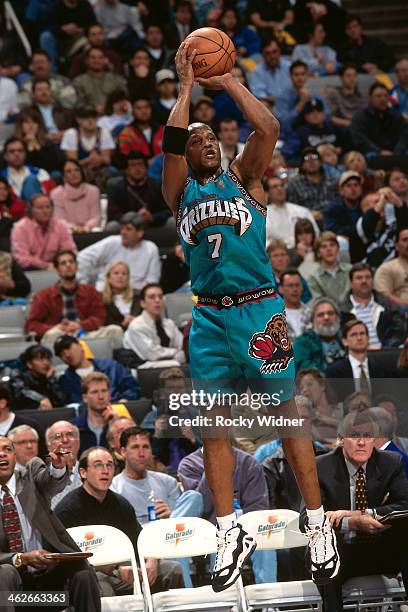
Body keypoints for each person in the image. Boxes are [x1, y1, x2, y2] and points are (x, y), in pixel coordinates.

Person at [161, 40, 340, 591]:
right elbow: (169, 142)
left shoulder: (246, 178)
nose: (207, 141)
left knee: (287, 417)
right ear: (188, 153)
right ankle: (226, 530)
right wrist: (188, 88)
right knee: (213, 427)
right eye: (198, 139)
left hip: (260, 309)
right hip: (210, 317)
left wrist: (230, 82)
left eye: (212, 136)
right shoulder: (178, 190)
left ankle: (316, 524)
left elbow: (268, 129)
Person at [300, 409, 408, 612]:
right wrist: (351, 524)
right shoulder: (320, 468)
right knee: (323, 552)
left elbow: (405, 505)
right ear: (340, 439)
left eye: (367, 436)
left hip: (381, 550)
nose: (361, 442)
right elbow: (306, 519)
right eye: (354, 435)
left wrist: (357, 514)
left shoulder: (391, 462)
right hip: (340, 552)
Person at [55, 446, 184, 596]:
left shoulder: (121, 504)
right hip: (90, 571)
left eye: (109, 465)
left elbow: (141, 540)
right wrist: (116, 569)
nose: (105, 470)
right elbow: (69, 559)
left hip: (124, 567)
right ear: (83, 472)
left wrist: (152, 560)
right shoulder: (68, 510)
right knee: (101, 586)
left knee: (173, 570)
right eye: (98, 465)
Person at [0, 433, 101, 612]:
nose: (2, 454)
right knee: (4, 573)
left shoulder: (30, 475)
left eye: (7, 449)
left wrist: (57, 467)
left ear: (15, 456)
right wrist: (21, 558)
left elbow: (49, 480)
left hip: (51, 590)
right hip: (15, 596)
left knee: (82, 571)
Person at [178, 446, 278, 585]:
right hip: (207, 532)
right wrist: (213, 466)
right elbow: (199, 506)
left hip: (244, 528)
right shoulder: (189, 465)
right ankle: (227, 601)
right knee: (221, 542)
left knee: (264, 538)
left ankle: (270, 602)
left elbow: (257, 509)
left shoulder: (248, 463)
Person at [25, 249, 122, 342]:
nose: (68, 265)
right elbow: (32, 325)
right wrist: (56, 327)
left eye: (71, 262)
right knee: (53, 334)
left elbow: (100, 317)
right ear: (57, 269)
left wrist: (80, 325)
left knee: (115, 330)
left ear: (76, 266)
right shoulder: (43, 295)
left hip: (85, 333)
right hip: (60, 336)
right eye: (63, 263)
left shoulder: (90, 291)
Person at [77, 212, 160, 291]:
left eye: (128, 229)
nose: (123, 232)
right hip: (105, 293)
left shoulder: (150, 249)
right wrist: (84, 285)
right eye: (122, 228)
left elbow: (153, 280)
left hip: (135, 295)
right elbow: (82, 258)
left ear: (140, 233)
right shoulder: (112, 242)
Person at [54, 334, 140, 403]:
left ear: (80, 346)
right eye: (62, 354)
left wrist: (125, 400)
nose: (67, 355)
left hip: (118, 408)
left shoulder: (111, 366)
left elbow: (132, 387)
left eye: (68, 348)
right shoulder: (65, 380)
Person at [326, 319, 395, 403]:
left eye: (362, 333)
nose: (359, 338)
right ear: (345, 341)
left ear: (368, 338)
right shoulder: (334, 372)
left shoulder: (380, 369)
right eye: (353, 335)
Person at [340, 262, 405, 349]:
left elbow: (399, 332)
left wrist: (385, 348)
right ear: (351, 283)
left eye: (368, 277)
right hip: (354, 354)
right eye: (359, 278)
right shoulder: (342, 310)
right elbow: (340, 337)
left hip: (385, 353)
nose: (364, 281)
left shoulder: (388, 306)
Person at [124, 283, 186, 368]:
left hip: (168, 362)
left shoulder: (169, 323)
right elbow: (152, 354)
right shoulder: (136, 326)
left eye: (160, 297)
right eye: (152, 297)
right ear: (142, 303)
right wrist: (174, 352)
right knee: (175, 365)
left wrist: (178, 353)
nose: (157, 300)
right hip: (142, 366)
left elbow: (181, 346)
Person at [11, 194, 76, 271]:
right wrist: (45, 265)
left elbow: (70, 250)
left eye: (48, 207)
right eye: (40, 208)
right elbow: (21, 258)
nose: (45, 211)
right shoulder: (20, 228)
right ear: (31, 210)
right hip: (29, 270)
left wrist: (61, 263)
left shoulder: (59, 226)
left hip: (56, 269)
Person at [350, 185, 408, 268]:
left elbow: (404, 218)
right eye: (377, 202)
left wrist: (394, 198)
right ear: (365, 209)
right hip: (367, 274)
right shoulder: (358, 227)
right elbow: (368, 221)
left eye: (384, 201)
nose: (383, 204)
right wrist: (382, 201)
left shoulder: (391, 227)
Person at [106, 152, 169, 227]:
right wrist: (132, 217)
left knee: (172, 222)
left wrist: (152, 217)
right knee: (112, 226)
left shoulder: (157, 185)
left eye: (140, 164)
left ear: (146, 167)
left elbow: (168, 211)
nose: (137, 168)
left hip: (153, 225)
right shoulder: (117, 187)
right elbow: (112, 214)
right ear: (126, 170)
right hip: (126, 226)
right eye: (132, 165)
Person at [71, 372, 128, 454]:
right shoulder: (74, 427)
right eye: (94, 392)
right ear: (85, 398)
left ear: (109, 394)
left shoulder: (122, 424)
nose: (101, 396)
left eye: (104, 391)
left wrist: (116, 425)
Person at [351, 83, 408, 157]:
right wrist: (379, 151)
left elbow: (404, 135)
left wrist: (398, 151)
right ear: (370, 99)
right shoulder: (360, 116)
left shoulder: (396, 115)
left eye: (385, 96)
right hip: (372, 153)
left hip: (395, 153)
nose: (383, 99)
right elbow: (360, 140)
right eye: (378, 96)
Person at [60, 105, 115, 179]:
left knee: (112, 171)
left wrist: (100, 159)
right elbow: (73, 165)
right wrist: (89, 160)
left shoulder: (103, 132)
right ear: (78, 120)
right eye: (86, 118)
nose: (90, 121)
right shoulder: (71, 134)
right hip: (79, 170)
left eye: (93, 117)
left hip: (101, 168)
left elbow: (107, 160)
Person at [286, 147, 338, 223]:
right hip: (306, 222)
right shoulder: (294, 184)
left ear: (321, 163)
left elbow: (338, 202)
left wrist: (325, 214)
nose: (311, 161)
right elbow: (292, 208)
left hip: (331, 218)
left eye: (314, 157)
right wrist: (308, 214)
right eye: (306, 159)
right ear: (302, 166)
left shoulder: (333, 180)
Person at [265, 175, 319, 249]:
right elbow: (262, 241)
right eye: (275, 187)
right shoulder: (263, 215)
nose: (280, 189)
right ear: (267, 193)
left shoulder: (302, 211)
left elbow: (316, 234)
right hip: (277, 255)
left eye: (282, 185)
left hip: (305, 251)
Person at [9, 344, 67, 411]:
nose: (46, 363)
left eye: (47, 359)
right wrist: (41, 399)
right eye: (40, 359)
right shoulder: (18, 374)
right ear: (29, 364)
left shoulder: (48, 377)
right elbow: (21, 392)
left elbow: (61, 401)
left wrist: (51, 379)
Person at [294, 298, 345, 372]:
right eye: (320, 315)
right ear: (312, 321)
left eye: (330, 313)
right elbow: (305, 370)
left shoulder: (348, 336)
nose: (326, 317)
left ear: (338, 317)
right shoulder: (303, 343)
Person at [51, 159, 101, 232]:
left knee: (97, 230)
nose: (74, 173)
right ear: (63, 176)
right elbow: (59, 219)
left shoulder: (93, 190)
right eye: (69, 171)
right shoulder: (56, 193)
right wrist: (74, 228)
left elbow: (95, 217)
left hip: (89, 229)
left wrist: (87, 226)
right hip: (68, 230)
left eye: (77, 170)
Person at [72, 47, 127, 114]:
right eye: (93, 58)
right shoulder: (78, 81)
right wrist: (93, 108)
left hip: (114, 117)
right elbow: (78, 103)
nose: (97, 61)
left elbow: (125, 99)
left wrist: (111, 108)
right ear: (87, 61)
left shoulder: (117, 79)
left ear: (105, 60)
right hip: (89, 117)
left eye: (100, 58)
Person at [248, 38, 292, 120]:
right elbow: (258, 95)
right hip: (271, 109)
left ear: (279, 51)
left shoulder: (289, 67)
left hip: (291, 105)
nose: (272, 56)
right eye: (268, 53)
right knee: (263, 104)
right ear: (262, 55)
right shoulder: (256, 72)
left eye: (274, 52)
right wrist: (278, 99)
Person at [0, 137, 55, 202]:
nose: (16, 154)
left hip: (40, 208)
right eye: (12, 151)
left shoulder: (40, 173)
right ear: (5, 156)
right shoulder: (2, 178)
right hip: (14, 210)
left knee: (31, 180)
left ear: (25, 154)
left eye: (20, 150)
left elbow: (52, 195)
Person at [13, 106, 65, 174]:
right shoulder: (13, 145)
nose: (31, 125)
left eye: (34, 122)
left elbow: (53, 166)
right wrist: (30, 148)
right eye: (26, 122)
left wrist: (37, 147)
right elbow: (21, 168)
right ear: (21, 126)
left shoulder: (47, 143)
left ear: (39, 125)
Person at [307, 232, 351, 305]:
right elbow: (319, 302)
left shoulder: (351, 270)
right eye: (324, 247)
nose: (329, 249)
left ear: (338, 249)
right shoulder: (313, 278)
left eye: (332, 245)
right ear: (318, 253)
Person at [46, 420, 82, 508]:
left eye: (70, 435)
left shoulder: (91, 473)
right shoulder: (39, 478)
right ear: (48, 445)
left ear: (78, 441)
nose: (65, 440)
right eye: (57, 437)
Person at [30, 77, 74, 145]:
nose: (44, 92)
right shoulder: (28, 112)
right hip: (41, 143)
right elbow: (26, 132)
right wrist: (44, 136)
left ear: (51, 92)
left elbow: (73, 128)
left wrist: (64, 133)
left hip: (63, 141)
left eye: (47, 89)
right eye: (39, 90)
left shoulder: (64, 110)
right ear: (33, 94)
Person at [374, 228, 408, 309]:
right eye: (405, 240)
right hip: (400, 315)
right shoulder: (386, 268)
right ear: (397, 246)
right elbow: (383, 296)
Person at [101, 261, 141, 329]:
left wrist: (137, 321)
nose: (120, 276)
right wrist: (122, 325)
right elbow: (104, 322)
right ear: (108, 278)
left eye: (124, 274)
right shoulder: (101, 299)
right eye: (116, 273)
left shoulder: (139, 296)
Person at [325, 63, 366, 129]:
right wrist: (350, 123)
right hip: (344, 128)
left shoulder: (360, 95)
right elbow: (330, 118)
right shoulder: (334, 94)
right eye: (348, 76)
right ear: (341, 78)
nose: (352, 79)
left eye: (354, 76)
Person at [324, 171, 362, 239]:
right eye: (348, 186)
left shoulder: (366, 205)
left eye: (356, 185)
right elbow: (331, 232)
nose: (353, 189)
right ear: (341, 191)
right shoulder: (333, 209)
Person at [279, 269, 309, 340]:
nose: (295, 289)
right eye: (290, 285)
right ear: (281, 289)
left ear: (302, 287)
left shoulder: (312, 313)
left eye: (297, 285)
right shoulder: (275, 317)